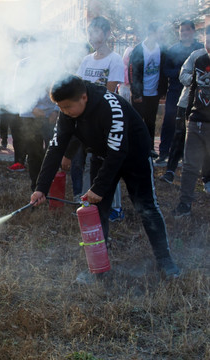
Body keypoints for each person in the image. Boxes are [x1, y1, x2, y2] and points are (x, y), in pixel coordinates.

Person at [30, 75, 180, 279]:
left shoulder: (110, 106)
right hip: (102, 156)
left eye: (66, 107)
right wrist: (41, 188)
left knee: (146, 208)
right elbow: (55, 148)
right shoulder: (68, 113)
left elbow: (118, 152)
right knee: (97, 213)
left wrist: (98, 189)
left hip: (134, 157)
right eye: (60, 108)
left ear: (83, 97)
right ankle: (98, 267)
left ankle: (165, 261)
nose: (64, 112)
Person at [73, 16, 125, 221]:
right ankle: (88, 202)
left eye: (97, 32)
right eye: (90, 32)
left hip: (105, 119)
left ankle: (115, 207)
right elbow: (78, 87)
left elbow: (110, 91)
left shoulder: (115, 60)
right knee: (87, 164)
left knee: (107, 163)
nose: (93, 37)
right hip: (85, 120)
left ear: (107, 34)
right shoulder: (86, 60)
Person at [172, 25, 210, 217]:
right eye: (207, 39)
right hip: (196, 118)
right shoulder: (199, 59)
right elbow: (193, 88)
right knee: (189, 165)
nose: (209, 43)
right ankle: (184, 204)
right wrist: (188, 114)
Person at [156, 20, 203, 166]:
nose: (184, 33)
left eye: (187, 30)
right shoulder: (173, 50)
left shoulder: (200, 49)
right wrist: (178, 73)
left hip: (195, 93)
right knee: (169, 121)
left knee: (191, 124)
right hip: (175, 92)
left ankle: (186, 155)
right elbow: (165, 70)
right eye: (182, 30)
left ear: (193, 31)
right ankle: (164, 153)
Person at [160, 44, 209, 185]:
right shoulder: (196, 55)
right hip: (187, 103)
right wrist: (197, 79)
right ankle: (170, 171)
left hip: (207, 109)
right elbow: (183, 75)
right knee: (179, 136)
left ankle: (207, 179)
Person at [129, 21, 168, 158]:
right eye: (160, 31)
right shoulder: (139, 49)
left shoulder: (161, 49)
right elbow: (132, 72)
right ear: (152, 32)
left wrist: (162, 91)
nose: (162, 34)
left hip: (154, 93)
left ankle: (150, 148)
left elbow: (163, 71)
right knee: (138, 121)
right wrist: (136, 92)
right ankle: (137, 148)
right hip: (141, 93)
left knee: (151, 121)